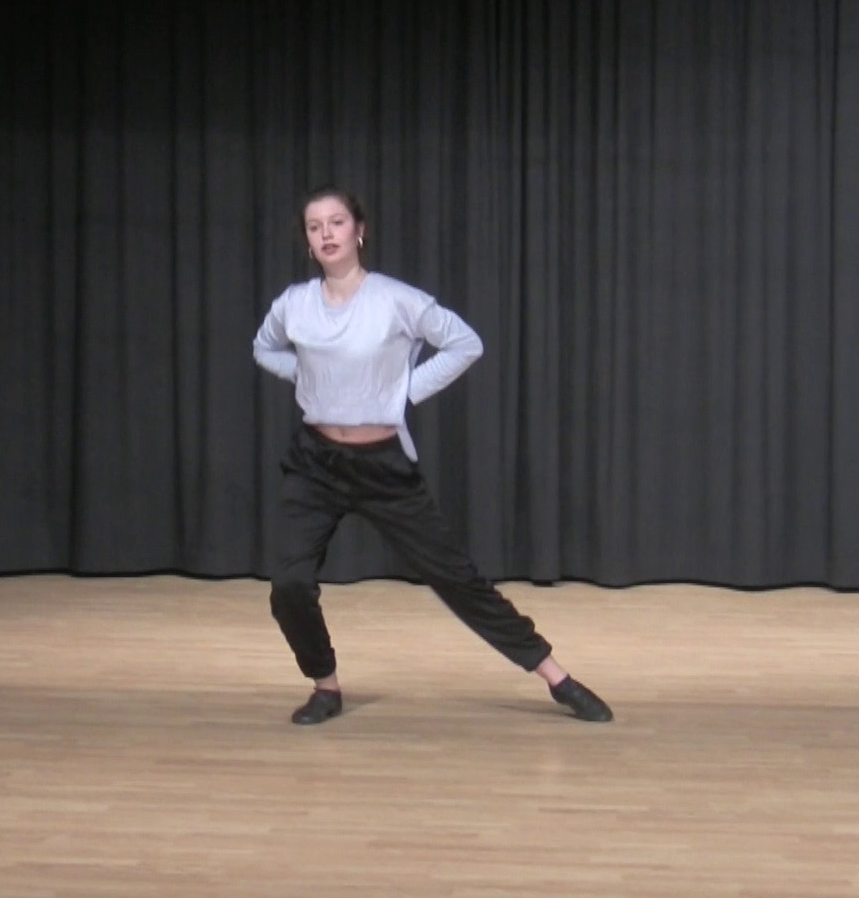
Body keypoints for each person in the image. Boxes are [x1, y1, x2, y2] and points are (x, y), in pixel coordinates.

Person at [252, 186, 614, 727]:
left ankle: (556, 676)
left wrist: (404, 393)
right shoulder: (294, 305)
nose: (327, 233)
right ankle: (325, 685)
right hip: (315, 464)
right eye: (314, 226)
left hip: (382, 465)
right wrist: (306, 377)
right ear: (307, 240)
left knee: (457, 579)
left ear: (359, 231)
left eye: (337, 222)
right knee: (289, 585)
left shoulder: (396, 299)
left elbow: (465, 343)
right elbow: (264, 347)